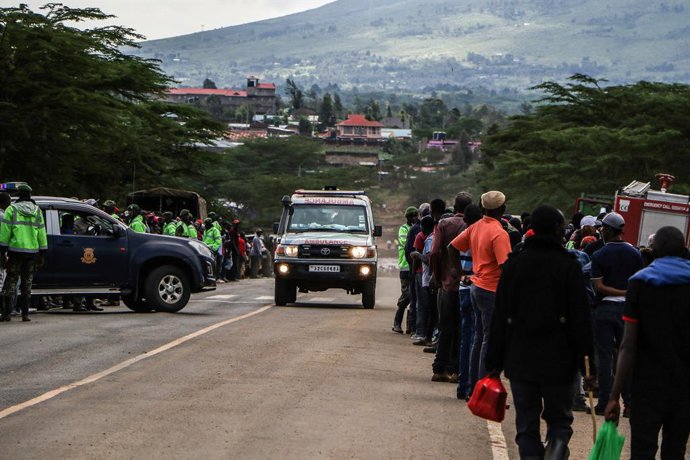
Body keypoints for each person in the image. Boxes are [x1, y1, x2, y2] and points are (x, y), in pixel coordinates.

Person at [486, 205, 594, 460]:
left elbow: (500, 317)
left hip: (521, 359)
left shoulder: (515, 264)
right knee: (559, 423)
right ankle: (555, 452)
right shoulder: (569, 266)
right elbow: (581, 320)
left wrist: (493, 363)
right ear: (558, 230)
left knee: (526, 426)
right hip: (560, 362)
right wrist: (590, 368)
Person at [604, 226, 690, 459]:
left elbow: (628, 345)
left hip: (647, 385)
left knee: (642, 450)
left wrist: (614, 396)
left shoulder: (640, 283)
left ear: (654, 252)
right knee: (675, 450)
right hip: (685, 387)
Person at [450, 191, 512, 392]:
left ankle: (471, 387)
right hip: (491, 289)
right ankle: (483, 390)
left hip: (475, 286)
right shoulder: (499, 233)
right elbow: (505, 267)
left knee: (478, 338)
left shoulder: (476, 226)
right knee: (488, 339)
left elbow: (452, 247)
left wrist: (459, 274)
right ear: (501, 209)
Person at [589, 212, 643, 416]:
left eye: (603, 228)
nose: (602, 231)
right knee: (626, 356)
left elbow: (599, 286)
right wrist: (627, 294)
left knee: (603, 357)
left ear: (610, 230)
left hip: (604, 310)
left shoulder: (599, 255)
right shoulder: (635, 253)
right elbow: (638, 282)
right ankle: (629, 404)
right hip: (627, 311)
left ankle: (604, 402)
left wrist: (618, 292)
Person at [428, 192, 472, 382]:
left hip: (446, 283)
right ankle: (456, 370)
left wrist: (437, 276)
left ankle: (439, 368)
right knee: (462, 328)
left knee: (445, 326)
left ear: (454, 206)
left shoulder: (444, 224)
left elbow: (434, 253)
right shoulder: (472, 226)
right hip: (467, 284)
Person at [0, 184, 48, 322]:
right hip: (32, 252)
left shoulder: (12, 209)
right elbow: (42, 233)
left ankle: (6, 314)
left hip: (15, 251)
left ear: (19, 194)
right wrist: (42, 253)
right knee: (27, 283)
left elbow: (5, 233)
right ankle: (25, 314)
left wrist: (2, 252)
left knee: (11, 282)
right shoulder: (37, 211)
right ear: (30, 195)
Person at [392, 206, 418, 334]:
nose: (414, 218)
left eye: (416, 216)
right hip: (405, 267)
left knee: (414, 296)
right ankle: (397, 322)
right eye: (412, 216)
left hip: (415, 267)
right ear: (408, 218)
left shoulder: (418, 229)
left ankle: (410, 326)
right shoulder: (403, 229)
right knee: (406, 295)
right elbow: (405, 242)